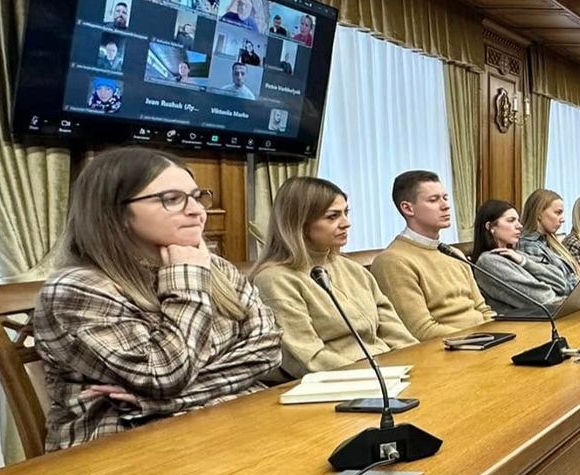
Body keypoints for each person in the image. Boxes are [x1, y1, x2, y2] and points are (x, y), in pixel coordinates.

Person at [31, 148, 281, 451]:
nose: (197, 211)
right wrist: (185, 278)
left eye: (197, 196)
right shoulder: (77, 288)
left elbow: (267, 349)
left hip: (227, 426)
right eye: (172, 199)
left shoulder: (215, 267)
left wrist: (165, 401)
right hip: (122, 452)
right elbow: (163, 374)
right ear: (116, 213)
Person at [249, 176, 416, 378]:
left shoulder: (353, 270)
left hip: (389, 372)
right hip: (343, 383)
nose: (346, 223)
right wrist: (377, 376)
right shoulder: (275, 280)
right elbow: (309, 359)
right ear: (299, 223)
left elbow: (396, 333)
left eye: (346, 213)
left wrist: (423, 361)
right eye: (332, 217)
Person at [370, 170, 495, 340]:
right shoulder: (392, 261)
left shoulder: (453, 253)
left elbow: (483, 310)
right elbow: (421, 331)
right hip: (447, 351)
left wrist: (497, 336)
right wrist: (482, 337)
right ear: (408, 208)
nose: (445, 205)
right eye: (433, 200)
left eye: (445, 198)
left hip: (484, 341)